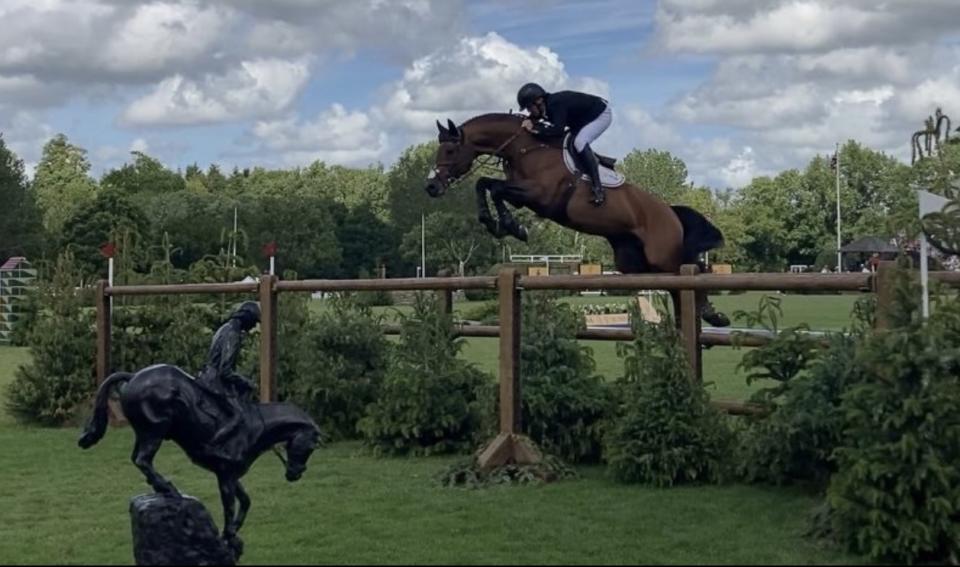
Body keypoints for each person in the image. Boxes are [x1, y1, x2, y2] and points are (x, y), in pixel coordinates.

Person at [516, 82, 612, 206]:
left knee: (579, 142)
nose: (529, 111)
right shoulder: (545, 106)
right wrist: (529, 120)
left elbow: (557, 130)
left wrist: (534, 130)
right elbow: (538, 117)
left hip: (600, 115)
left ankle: (598, 188)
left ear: (539, 101)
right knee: (571, 140)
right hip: (583, 119)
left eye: (529, 107)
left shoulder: (556, 104)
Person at [196, 301, 261, 459]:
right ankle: (213, 448)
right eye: (253, 322)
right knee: (237, 415)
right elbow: (225, 371)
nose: (253, 327)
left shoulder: (225, 327)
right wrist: (246, 382)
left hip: (209, 374)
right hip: (214, 380)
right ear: (247, 318)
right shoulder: (233, 334)